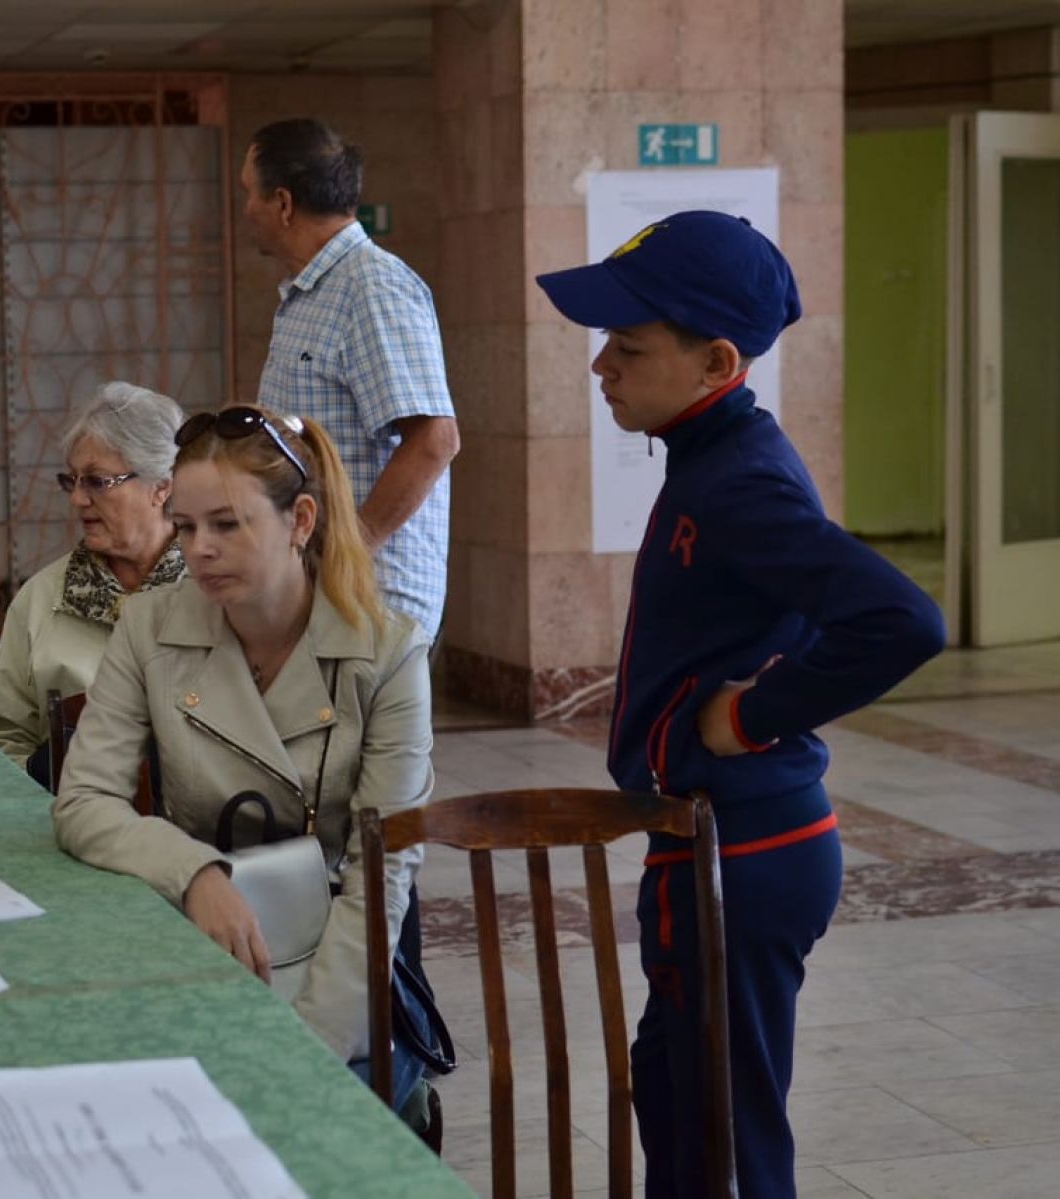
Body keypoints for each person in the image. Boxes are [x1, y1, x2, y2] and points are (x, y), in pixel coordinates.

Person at [535, 211, 946, 1198]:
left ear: (717, 359)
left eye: (629, 348)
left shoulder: (738, 480)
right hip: (721, 842)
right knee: (678, 1098)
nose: (602, 367)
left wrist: (750, 718)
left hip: (744, 850)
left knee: (728, 1137)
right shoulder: (711, 459)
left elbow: (905, 619)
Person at [52, 404, 438, 1124]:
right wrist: (196, 871)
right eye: (189, 525)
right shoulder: (151, 625)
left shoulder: (387, 655)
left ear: (300, 521)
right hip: (197, 948)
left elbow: (379, 881)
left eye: (228, 525)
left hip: (337, 967)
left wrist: (306, 1053)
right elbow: (83, 802)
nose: (199, 549)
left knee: (293, 1125)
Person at [242, 118, 460, 639]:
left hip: (366, 599)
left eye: (249, 194)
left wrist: (350, 552)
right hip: (321, 591)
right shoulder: (311, 294)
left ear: (284, 203)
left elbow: (434, 440)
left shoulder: (372, 286)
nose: (246, 210)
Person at [0, 382, 186, 781]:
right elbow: (3, 740)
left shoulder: (211, 591)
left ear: (161, 487)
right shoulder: (40, 599)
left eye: (97, 482)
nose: (77, 499)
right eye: (71, 480)